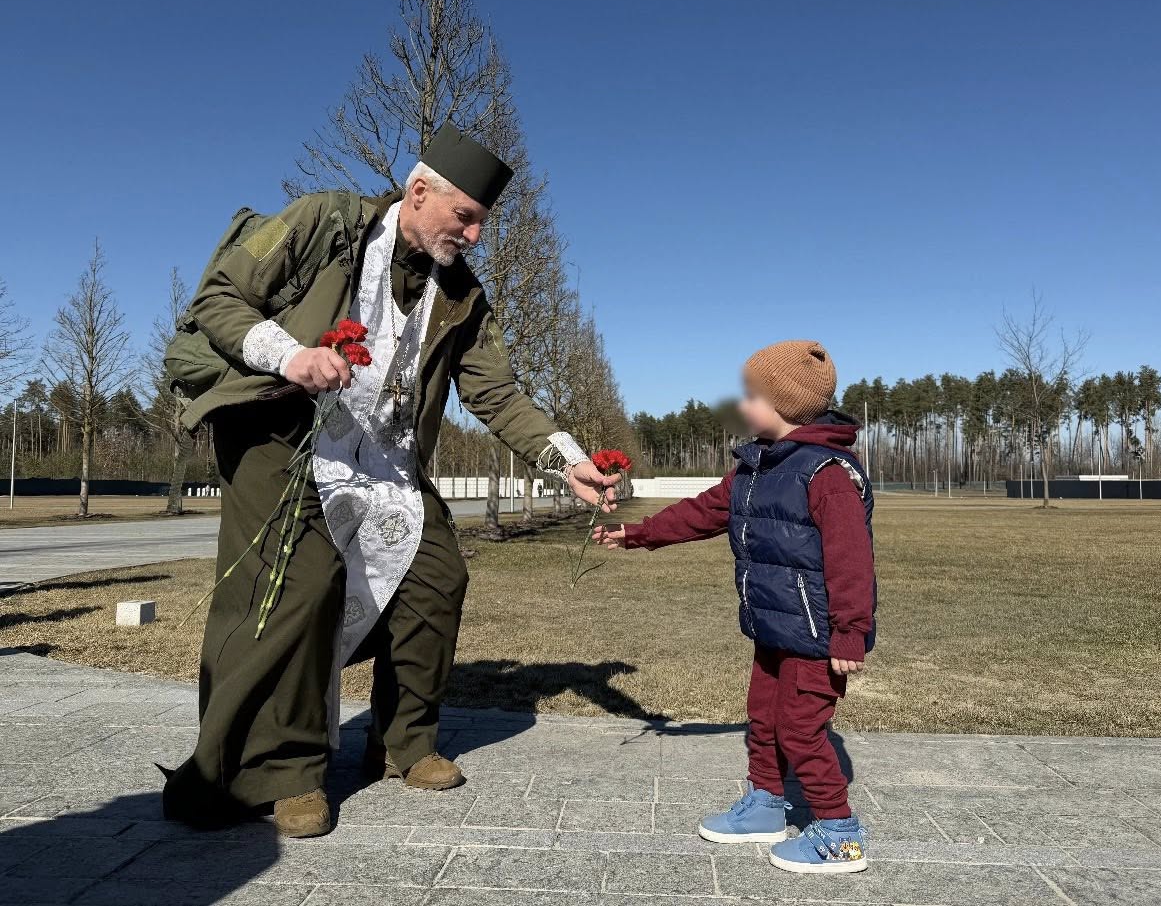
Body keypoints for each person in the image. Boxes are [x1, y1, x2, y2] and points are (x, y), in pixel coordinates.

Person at [162, 123, 620, 838]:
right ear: (417, 191)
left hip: (382, 456)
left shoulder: (463, 295)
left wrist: (566, 459)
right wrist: (291, 356)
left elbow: (498, 393)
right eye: (464, 216)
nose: (472, 234)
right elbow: (219, 298)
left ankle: (403, 738)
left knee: (439, 572)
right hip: (281, 431)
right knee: (302, 586)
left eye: (481, 223)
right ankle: (285, 770)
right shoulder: (324, 220)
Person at [594, 340, 876, 874]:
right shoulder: (755, 469)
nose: (743, 405)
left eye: (752, 396)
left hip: (816, 634)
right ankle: (767, 805)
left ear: (786, 404)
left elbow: (851, 562)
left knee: (800, 728)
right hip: (771, 625)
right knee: (763, 717)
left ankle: (840, 832)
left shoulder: (828, 475)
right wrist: (637, 534)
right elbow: (703, 512)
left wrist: (850, 633)